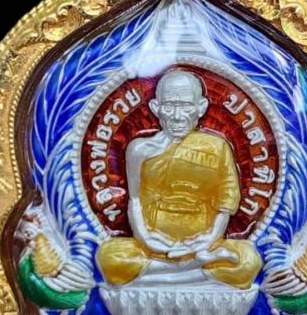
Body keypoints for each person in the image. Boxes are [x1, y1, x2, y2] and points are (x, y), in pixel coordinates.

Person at [96, 70, 262, 288]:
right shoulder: (140, 149)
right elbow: (134, 200)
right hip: (153, 246)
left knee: (249, 260)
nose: (176, 116)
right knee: (109, 257)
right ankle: (197, 268)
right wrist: (146, 239)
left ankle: (164, 274)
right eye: (169, 106)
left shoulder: (217, 147)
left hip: (203, 242)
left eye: (185, 106)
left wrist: (210, 239)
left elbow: (226, 203)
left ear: (201, 107)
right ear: (155, 107)